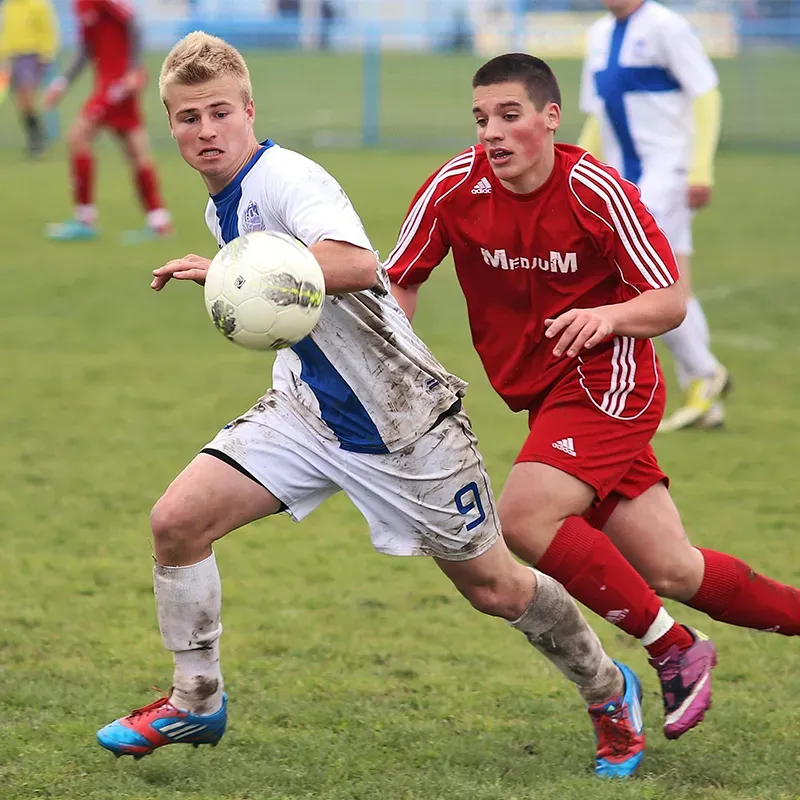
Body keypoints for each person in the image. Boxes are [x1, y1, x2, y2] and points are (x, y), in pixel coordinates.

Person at [94, 33, 647, 779]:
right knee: (177, 522)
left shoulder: (288, 178)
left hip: (406, 426)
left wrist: (240, 270)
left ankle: (608, 688)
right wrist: (233, 268)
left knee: (497, 588)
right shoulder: (223, 203)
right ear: (171, 125)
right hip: (307, 413)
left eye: (220, 112)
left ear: (249, 110)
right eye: (189, 118)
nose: (206, 130)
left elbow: (357, 264)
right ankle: (195, 699)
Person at [386, 52, 800, 738]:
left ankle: (674, 648)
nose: (492, 132)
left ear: (551, 118)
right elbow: (400, 277)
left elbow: (670, 300)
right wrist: (392, 362)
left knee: (525, 517)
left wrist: (608, 317)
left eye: (510, 115)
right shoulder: (455, 186)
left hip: (611, 383)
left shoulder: (596, 191)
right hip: (546, 399)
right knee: (674, 569)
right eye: (482, 118)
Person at [577, 0, 728, 431]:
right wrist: (579, 167)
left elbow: (706, 94)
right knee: (672, 279)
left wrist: (700, 169)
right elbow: (599, 114)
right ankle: (704, 393)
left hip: (668, 174)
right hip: (626, 180)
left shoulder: (667, 26)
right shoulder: (597, 35)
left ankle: (704, 373)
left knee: (641, 281)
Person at [41, 0, 170, 243]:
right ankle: (159, 221)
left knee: (78, 137)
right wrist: (61, 84)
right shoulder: (80, 5)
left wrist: (134, 69)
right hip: (110, 83)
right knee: (135, 150)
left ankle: (85, 219)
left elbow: (134, 22)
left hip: (118, 84)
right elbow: (86, 49)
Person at [0, 0, 59, 156]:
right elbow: (5, 33)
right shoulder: (8, 6)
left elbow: (48, 31)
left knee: (27, 97)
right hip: (9, 58)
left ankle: (37, 140)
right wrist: (3, 56)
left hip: (30, 56)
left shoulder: (38, 5)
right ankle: (35, 137)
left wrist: (46, 54)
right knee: (20, 102)